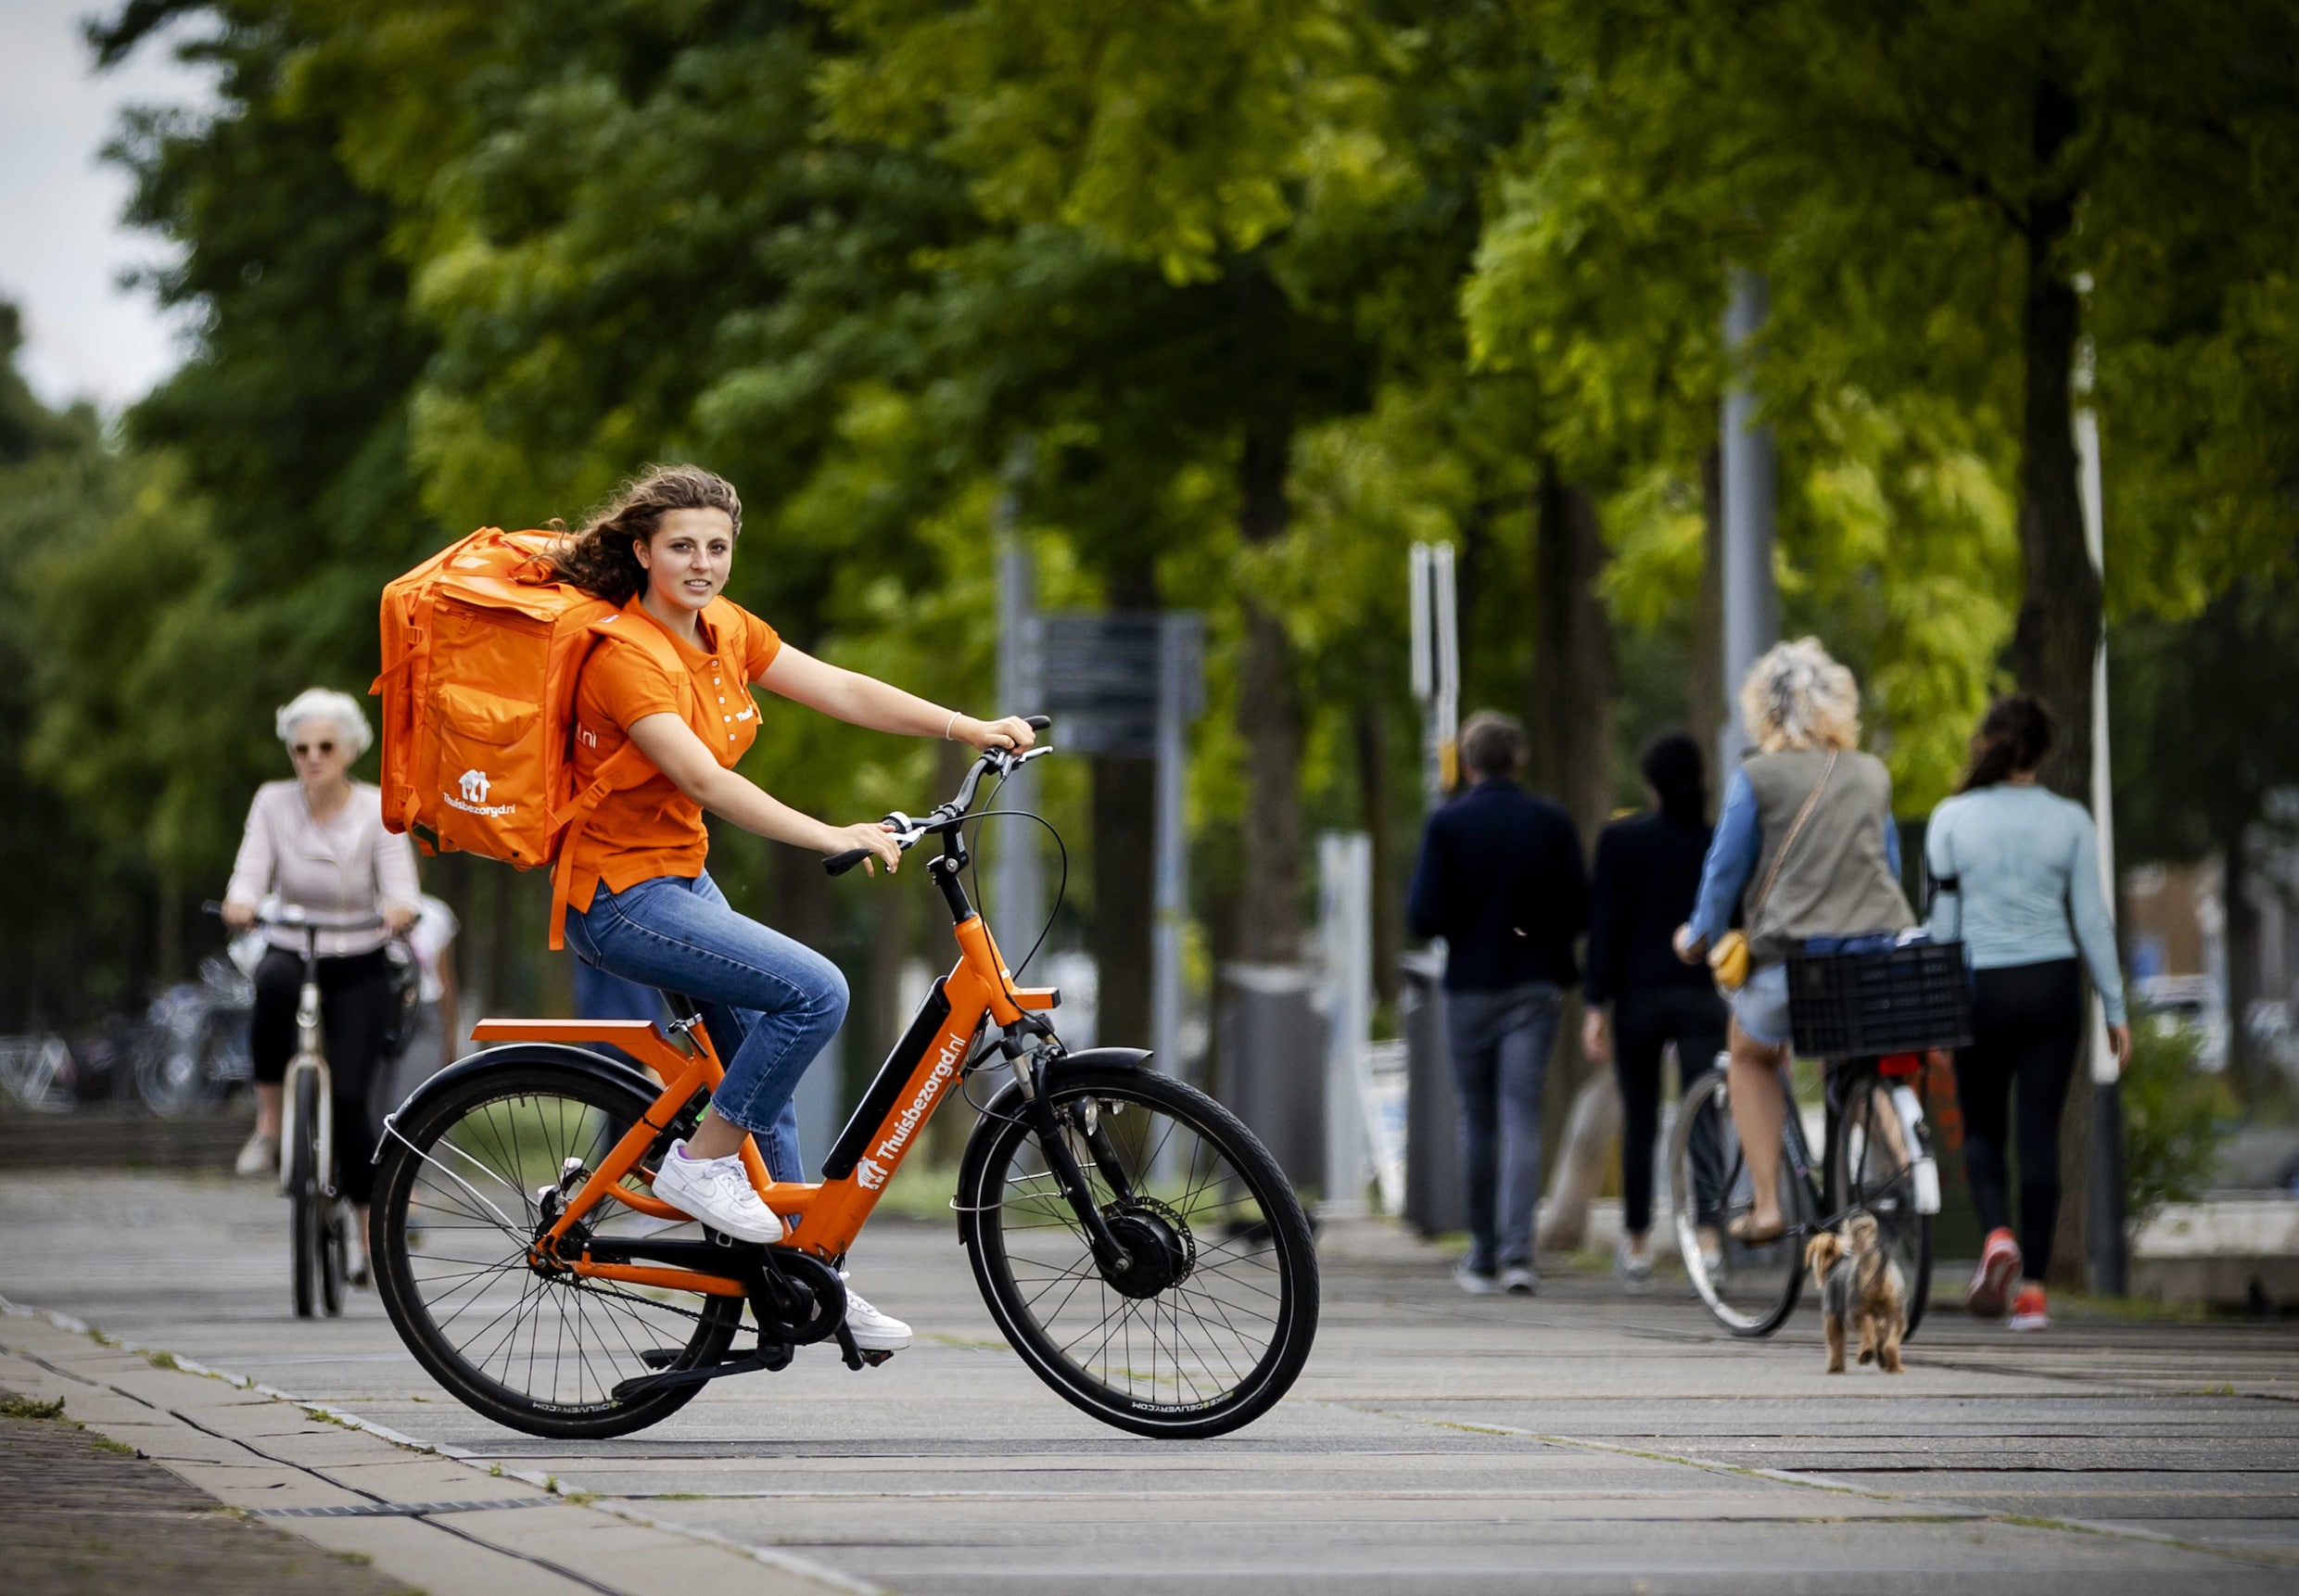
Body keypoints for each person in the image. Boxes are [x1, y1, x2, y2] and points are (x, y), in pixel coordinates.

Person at [547, 463, 1034, 1354]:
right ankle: (699, 1167)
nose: (702, 563)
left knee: (763, 1088)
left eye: (718, 547)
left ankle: (817, 1279)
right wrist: (827, 834)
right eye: (682, 546)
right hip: (621, 898)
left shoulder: (724, 629)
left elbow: (837, 686)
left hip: (680, 882)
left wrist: (964, 727)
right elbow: (702, 777)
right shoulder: (624, 656)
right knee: (816, 992)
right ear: (642, 550)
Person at [1674, 639, 1914, 1244]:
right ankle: (1905, 1161)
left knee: (1750, 1055)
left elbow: (1724, 869)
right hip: (1870, 957)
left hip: (1793, 962)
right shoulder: (1871, 774)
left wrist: (1699, 935)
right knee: (1853, 1056)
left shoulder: (1756, 775)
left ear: (1764, 709)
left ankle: (1766, 1207)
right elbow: (1887, 864)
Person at [1927, 694, 2130, 1334]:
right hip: (2051, 989)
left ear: (1986, 745)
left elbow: (1942, 927)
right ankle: (2035, 1293)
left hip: (1977, 989)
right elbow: (2092, 921)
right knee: (2039, 1135)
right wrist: (2116, 1008)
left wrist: (1938, 1013)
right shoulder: (2069, 821)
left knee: (1983, 1130)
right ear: (2043, 752)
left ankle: (1996, 1235)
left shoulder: (1950, 819)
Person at [222, 689, 422, 1281]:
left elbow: (402, 887)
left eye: (325, 747)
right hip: (295, 945)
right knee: (271, 989)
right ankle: (268, 1124)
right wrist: (241, 902)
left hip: (360, 955)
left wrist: (399, 909)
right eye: (300, 748)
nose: (312, 758)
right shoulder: (272, 803)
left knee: (355, 1100)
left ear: (350, 750)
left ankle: (365, 1233)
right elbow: (250, 872)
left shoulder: (377, 809)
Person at [1407, 710, 1589, 1296]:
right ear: (1520, 759)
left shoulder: (1448, 825)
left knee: (1476, 1118)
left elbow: (1422, 915)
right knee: (1521, 1115)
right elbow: (1581, 906)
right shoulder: (1551, 822)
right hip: (1534, 985)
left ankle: (1481, 1257)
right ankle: (1518, 1256)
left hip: (1469, 987)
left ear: (1467, 763)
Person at [1582, 731, 1730, 1289]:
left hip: (1638, 1000)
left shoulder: (1621, 841)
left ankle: (1638, 1240)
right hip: (1700, 994)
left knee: (1640, 1120)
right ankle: (1711, 1237)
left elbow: (1606, 930)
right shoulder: (1714, 843)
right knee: (1704, 1117)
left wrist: (1595, 1005)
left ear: (1650, 784)